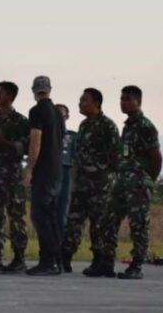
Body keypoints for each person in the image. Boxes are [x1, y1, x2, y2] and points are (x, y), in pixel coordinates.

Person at [100, 86, 163, 280]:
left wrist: (148, 181)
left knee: (138, 225)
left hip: (137, 183)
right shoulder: (127, 126)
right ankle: (106, 264)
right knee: (109, 220)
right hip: (122, 181)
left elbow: (156, 158)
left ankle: (136, 266)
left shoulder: (146, 126)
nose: (123, 102)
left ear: (138, 102)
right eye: (121, 99)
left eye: (127, 99)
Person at [60, 89, 120, 275]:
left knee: (99, 223)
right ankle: (65, 257)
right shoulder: (84, 125)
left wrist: (100, 170)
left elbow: (115, 155)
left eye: (84, 100)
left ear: (96, 103)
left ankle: (101, 261)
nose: (80, 103)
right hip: (81, 183)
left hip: (100, 185)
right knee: (74, 221)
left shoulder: (107, 126)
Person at [0, 81, 30, 272]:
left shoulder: (21, 121)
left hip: (12, 176)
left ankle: (19, 257)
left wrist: (6, 144)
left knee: (16, 216)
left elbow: (25, 148)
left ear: (9, 97)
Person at [23, 76, 65, 276]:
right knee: (52, 215)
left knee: (40, 216)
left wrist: (30, 169)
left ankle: (48, 261)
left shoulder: (37, 111)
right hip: (57, 171)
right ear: (49, 89)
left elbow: (35, 141)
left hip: (44, 171)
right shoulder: (58, 112)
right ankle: (58, 259)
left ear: (34, 90)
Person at [56, 104, 77, 231]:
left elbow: (77, 157)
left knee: (62, 209)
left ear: (67, 116)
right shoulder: (43, 135)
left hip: (65, 172)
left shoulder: (73, 136)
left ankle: (61, 243)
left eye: (61, 114)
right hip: (48, 173)